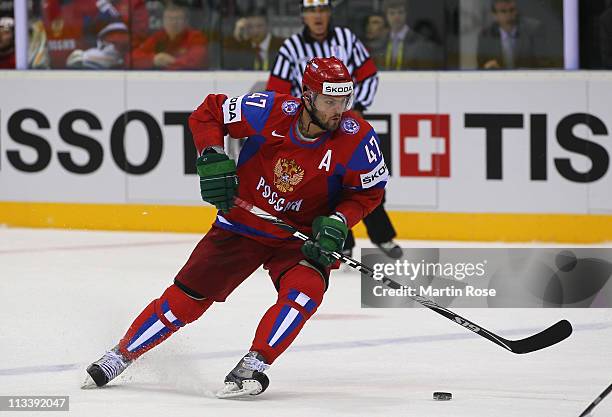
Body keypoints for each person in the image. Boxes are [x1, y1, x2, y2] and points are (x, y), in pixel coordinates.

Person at [82, 57, 388, 398]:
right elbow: (209, 112)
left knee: (305, 291)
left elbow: (369, 192)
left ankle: (255, 363)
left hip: (300, 237)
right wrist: (212, 154)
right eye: (330, 101)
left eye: (343, 101)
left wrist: (339, 220)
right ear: (307, 97)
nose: (338, 110)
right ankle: (121, 355)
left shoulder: (357, 137)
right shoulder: (268, 110)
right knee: (188, 300)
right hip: (243, 224)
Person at [267, 0, 402, 259]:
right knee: (322, 187)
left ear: (329, 13)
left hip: (345, 125)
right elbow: (277, 93)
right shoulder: (290, 48)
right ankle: (343, 241)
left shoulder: (346, 38)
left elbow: (369, 74)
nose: (317, 16)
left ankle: (382, 237)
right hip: (311, 131)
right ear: (303, 16)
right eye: (311, 11)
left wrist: (359, 106)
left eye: (322, 10)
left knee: (365, 180)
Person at [132, 3, 208, 70]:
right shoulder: (159, 36)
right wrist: (153, 59)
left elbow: (196, 61)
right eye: (169, 18)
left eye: (178, 19)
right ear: (163, 21)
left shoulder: (195, 37)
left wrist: (172, 61)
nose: (173, 22)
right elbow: (132, 58)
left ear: (186, 22)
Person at [476, 0, 548, 69]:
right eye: (503, 11)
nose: (508, 14)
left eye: (512, 10)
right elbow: (481, 67)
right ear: (494, 15)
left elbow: (543, 64)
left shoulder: (533, 29)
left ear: (517, 11)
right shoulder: (485, 35)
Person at [378, 0, 442, 70]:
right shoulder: (380, 42)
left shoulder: (421, 43)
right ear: (386, 16)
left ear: (406, 14)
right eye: (392, 13)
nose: (396, 17)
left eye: (400, 12)